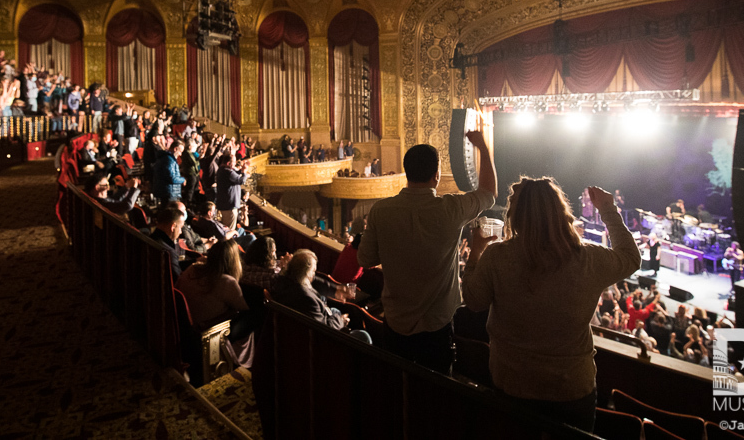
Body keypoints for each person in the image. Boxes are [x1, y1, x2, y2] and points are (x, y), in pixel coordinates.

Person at [461, 183, 640, 432]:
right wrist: (608, 210)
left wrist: (476, 254)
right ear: (561, 213)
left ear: (515, 215)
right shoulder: (588, 258)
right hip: (570, 389)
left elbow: (473, 300)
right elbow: (631, 257)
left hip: (511, 382)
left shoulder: (497, 256)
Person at [358, 130, 496, 374]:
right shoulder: (451, 209)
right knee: (436, 394)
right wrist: (483, 148)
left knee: (397, 386)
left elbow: (365, 259)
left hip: (395, 323)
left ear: (407, 172)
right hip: (438, 327)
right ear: (437, 175)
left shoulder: (381, 211)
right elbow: (488, 194)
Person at [176, 240, 254, 368]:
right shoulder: (227, 282)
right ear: (234, 261)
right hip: (206, 332)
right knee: (254, 316)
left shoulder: (192, 268)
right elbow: (243, 309)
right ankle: (244, 363)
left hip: (185, 329)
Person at [273, 249, 371, 343]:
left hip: (296, 327)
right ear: (306, 273)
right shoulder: (307, 298)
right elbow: (324, 328)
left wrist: (335, 290)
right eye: (313, 271)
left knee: (335, 311)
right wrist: (340, 320)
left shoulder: (286, 279)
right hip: (318, 340)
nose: (314, 274)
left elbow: (314, 281)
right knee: (363, 336)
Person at [149, 204, 186, 279]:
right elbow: (178, 281)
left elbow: (175, 264)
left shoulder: (149, 240)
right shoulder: (167, 252)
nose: (181, 232)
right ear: (173, 227)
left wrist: (194, 261)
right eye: (180, 228)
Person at [216, 153, 248, 229]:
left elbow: (234, 173)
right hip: (229, 207)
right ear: (228, 163)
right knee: (229, 230)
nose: (235, 163)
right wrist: (244, 172)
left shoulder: (222, 169)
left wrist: (240, 170)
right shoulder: (228, 172)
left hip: (225, 205)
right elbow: (241, 181)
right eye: (234, 162)